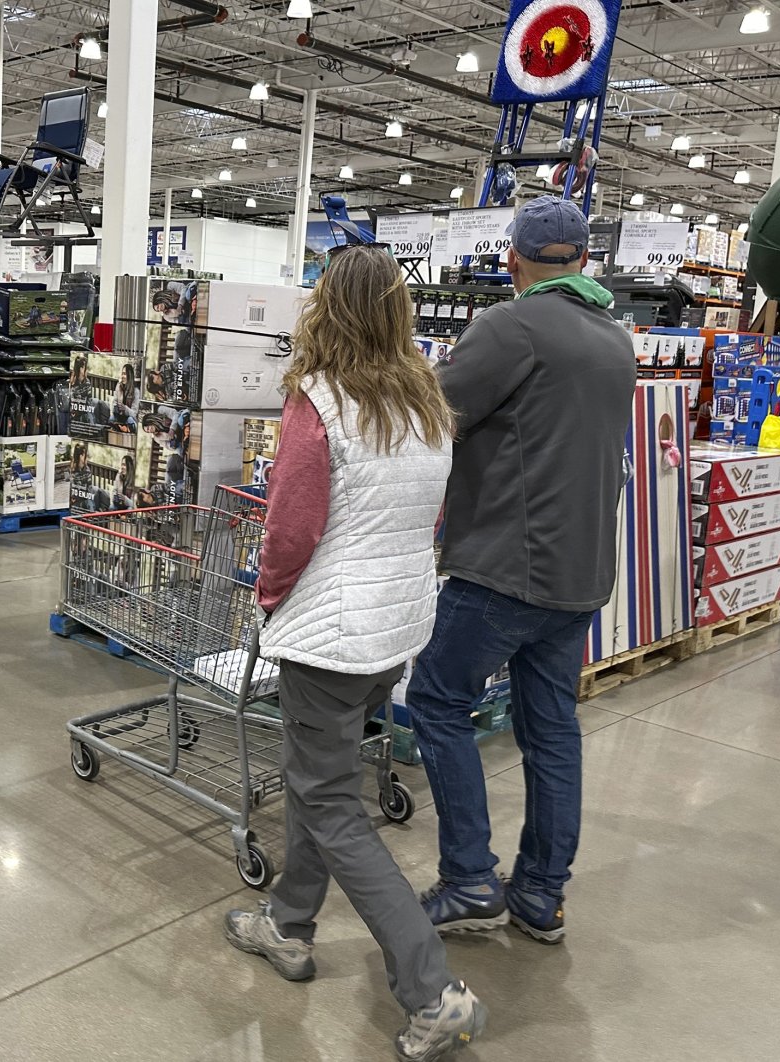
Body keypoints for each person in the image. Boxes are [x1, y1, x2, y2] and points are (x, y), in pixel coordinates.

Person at [223, 245, 486, 1062]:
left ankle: (430, 987)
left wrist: (269, 597)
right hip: (395, 630)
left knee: (332, 804)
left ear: (324, 309)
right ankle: (289, 927)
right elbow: (427, 519)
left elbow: (290, 527)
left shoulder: (321, 401)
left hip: (330, 635)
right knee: (321, 782)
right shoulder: (427, 402)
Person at [409, 195, 636, 944]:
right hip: (580, 575)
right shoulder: (614, 336)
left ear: (513, 260)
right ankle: (540, 894)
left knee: (439, 701)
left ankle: (471, 879)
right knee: (552, 732)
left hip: (506, 568)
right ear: (585, 259)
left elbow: (434, 411)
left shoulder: (512, 325)